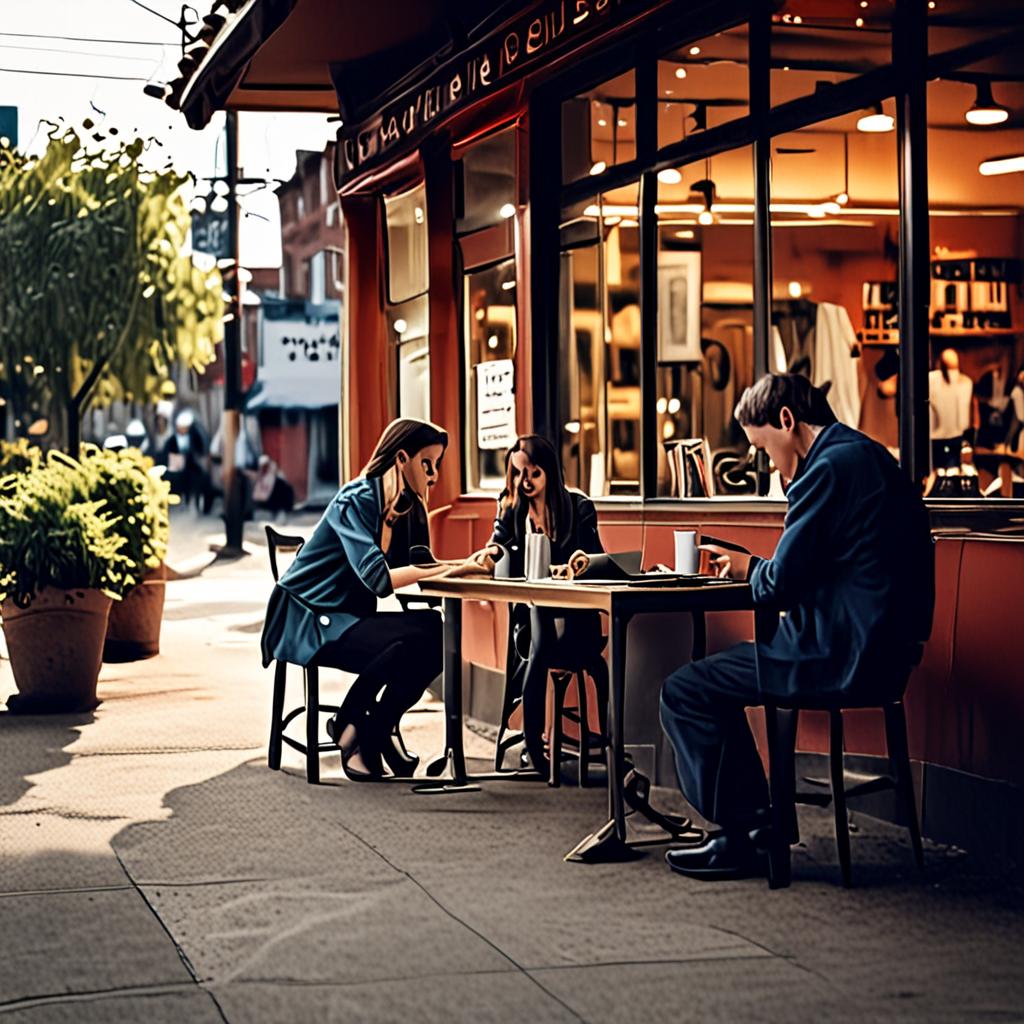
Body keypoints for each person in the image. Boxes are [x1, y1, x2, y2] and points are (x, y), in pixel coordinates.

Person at [659, 374, 934, 881]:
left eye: (764, 448)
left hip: (835, 654)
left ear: (786, 420)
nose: (768, 462)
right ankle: (759, 825)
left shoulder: (824, 469)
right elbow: (828, 567)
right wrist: (760, 569)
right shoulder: (870, 457)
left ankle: (744, 833)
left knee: (686, 690)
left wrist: (746, 568)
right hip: (884, 654)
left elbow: (779, 585)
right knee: (713, 681)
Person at [260, 418, 483, 780]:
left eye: (437, 465)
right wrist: (456, 567)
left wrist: (465, 567)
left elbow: (417, 570)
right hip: (308, 621)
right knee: (412, 639)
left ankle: (369, 729)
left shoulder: (404, 509)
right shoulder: (357, 499)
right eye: (427, 464)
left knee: (434, 632)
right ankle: (356, 724)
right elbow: (379, 580)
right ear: (401, 458)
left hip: (347, 618)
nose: (434, 476)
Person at [477, 434, 606, 774]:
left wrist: (576, 566)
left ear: (549, 471)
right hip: (531, 626)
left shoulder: (578, 507)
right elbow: (495, 548)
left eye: (534, 473)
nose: (526, 482)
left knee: (543, 630)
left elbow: (596, 560)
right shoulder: (511, 510)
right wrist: (489, 555)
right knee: (538, 620)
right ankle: (535, 745)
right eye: (519, 473)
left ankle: (535, 746)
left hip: (578, 623)